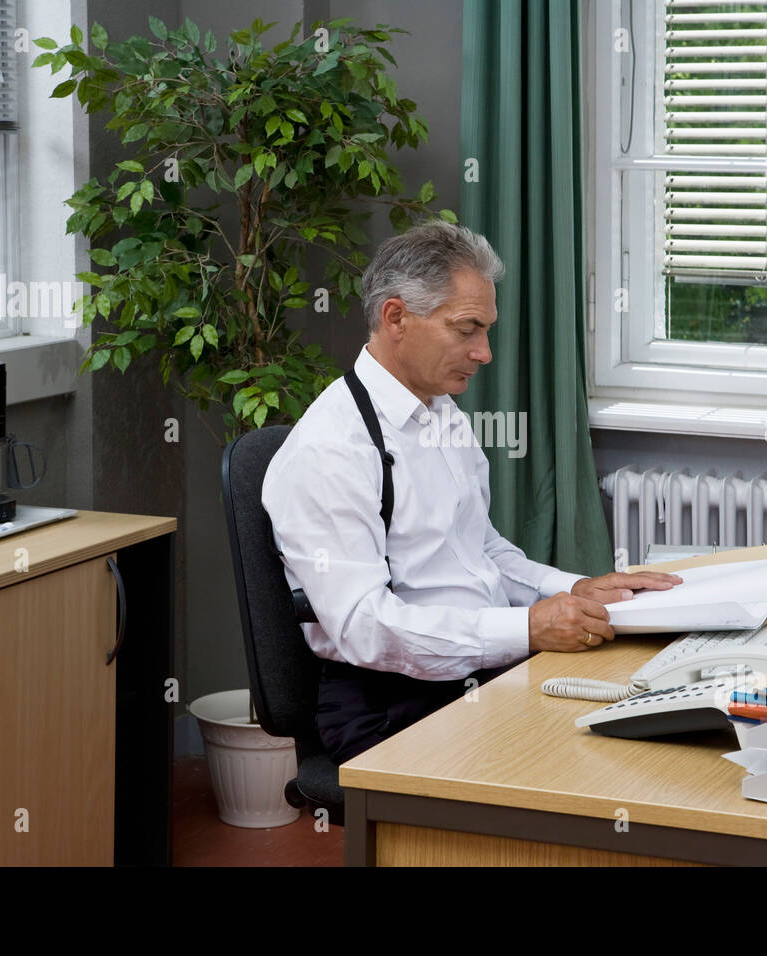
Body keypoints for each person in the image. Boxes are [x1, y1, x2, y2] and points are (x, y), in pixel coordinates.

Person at [262, 222, 680, 764]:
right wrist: (528, 627)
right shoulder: (330, 450)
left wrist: (576, 588)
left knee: (640, 729)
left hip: (474, 672)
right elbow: (365, 629)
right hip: (388, 705)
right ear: (396, 318)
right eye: (466, 329)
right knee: (593, 767)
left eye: (486, 330)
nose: (483, 352)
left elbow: (480, 550)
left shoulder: (441, 413)